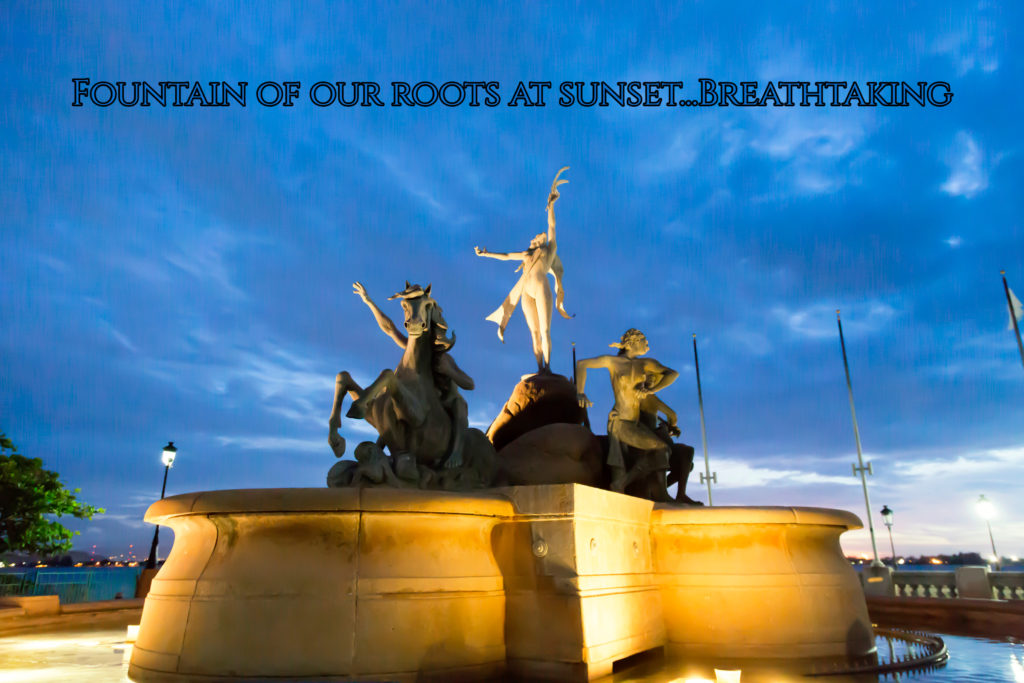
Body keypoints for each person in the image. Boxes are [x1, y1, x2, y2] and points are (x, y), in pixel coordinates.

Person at [476, 167, 572, 373]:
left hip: (541, 287)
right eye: (537, 236)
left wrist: (552, 206)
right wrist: (486, 254)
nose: (539, 237)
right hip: (525, 293)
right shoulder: (526, 255)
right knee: (534, 333)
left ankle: (548, 368)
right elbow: (506, 256)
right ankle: (540, 369)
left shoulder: (549, 250)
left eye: (540, 236)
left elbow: (552, 227)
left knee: (545, 330)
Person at [575, 329, 679, 499]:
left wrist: (651, 389)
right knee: (657, 451)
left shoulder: (645, 363)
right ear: (631, 343)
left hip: (634, 423)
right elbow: (582, 364)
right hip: (620, 421)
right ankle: (620, 484)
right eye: (644, 341)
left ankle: (622, 483)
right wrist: (580, 392)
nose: (647, 344)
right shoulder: (613, 362)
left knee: (661, 450)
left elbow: (672, 373)